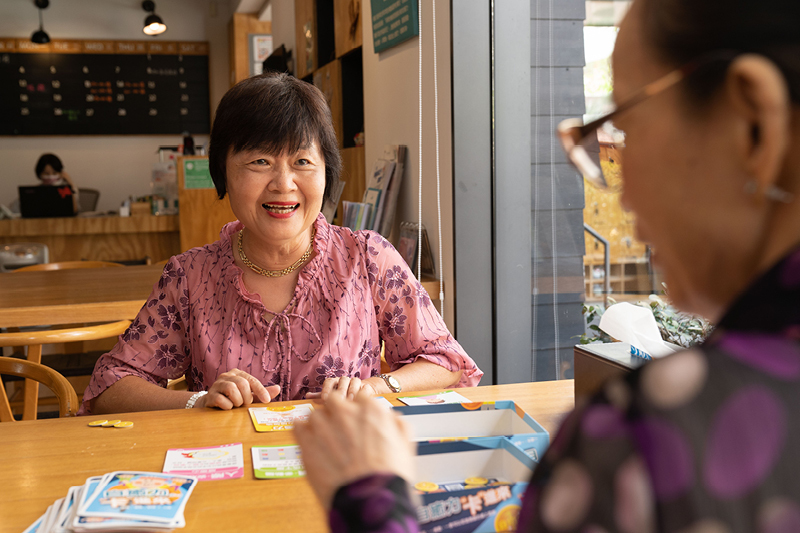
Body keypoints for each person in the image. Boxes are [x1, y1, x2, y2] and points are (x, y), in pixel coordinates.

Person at [294, 0, 800, 530]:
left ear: (753, 123)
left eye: (627, 125)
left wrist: (368, 493)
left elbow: (447, 361)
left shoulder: (649, 438)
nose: (622, 190)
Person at [80, 73, 482, 415]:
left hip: (343, 466)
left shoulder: (367, 258)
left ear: (327, 172)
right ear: (223, 171)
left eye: (302, 162)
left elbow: (445, 360)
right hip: (231, 470)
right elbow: (111, 384)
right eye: (260, 161)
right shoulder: (190, 277)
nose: (284, 184)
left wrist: (377, 388)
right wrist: (196, 401)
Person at [9, 153, 78, 214]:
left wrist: (70, 184)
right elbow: (12, 210)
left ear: (61, 173)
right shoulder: (32, 192)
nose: (50, 176)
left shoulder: (67, 190)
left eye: (54, 173)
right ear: (40, 174)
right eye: (46, 173)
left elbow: (75, 211)